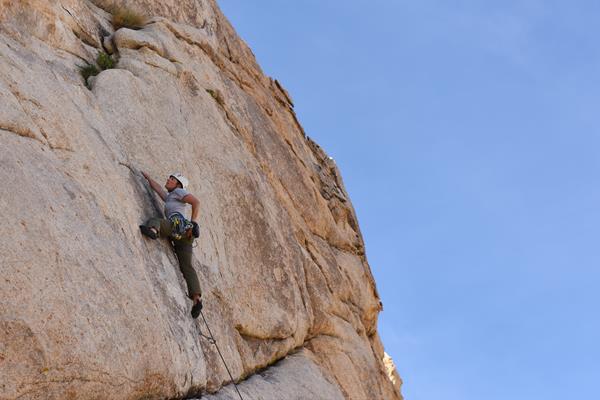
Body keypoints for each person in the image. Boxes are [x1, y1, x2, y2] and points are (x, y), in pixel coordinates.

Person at [139, 171, 203, 318]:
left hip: (178, 226)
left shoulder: (179, 192)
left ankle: (153, 231)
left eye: (172, 179)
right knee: (187, 267)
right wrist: (148, 177)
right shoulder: (170, 197)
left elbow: (196, 202)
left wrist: (194, 223)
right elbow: (158, 189)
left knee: (157, 221)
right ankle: (196, 299)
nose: (168, 179)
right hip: (185, 236)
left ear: (178, 184)